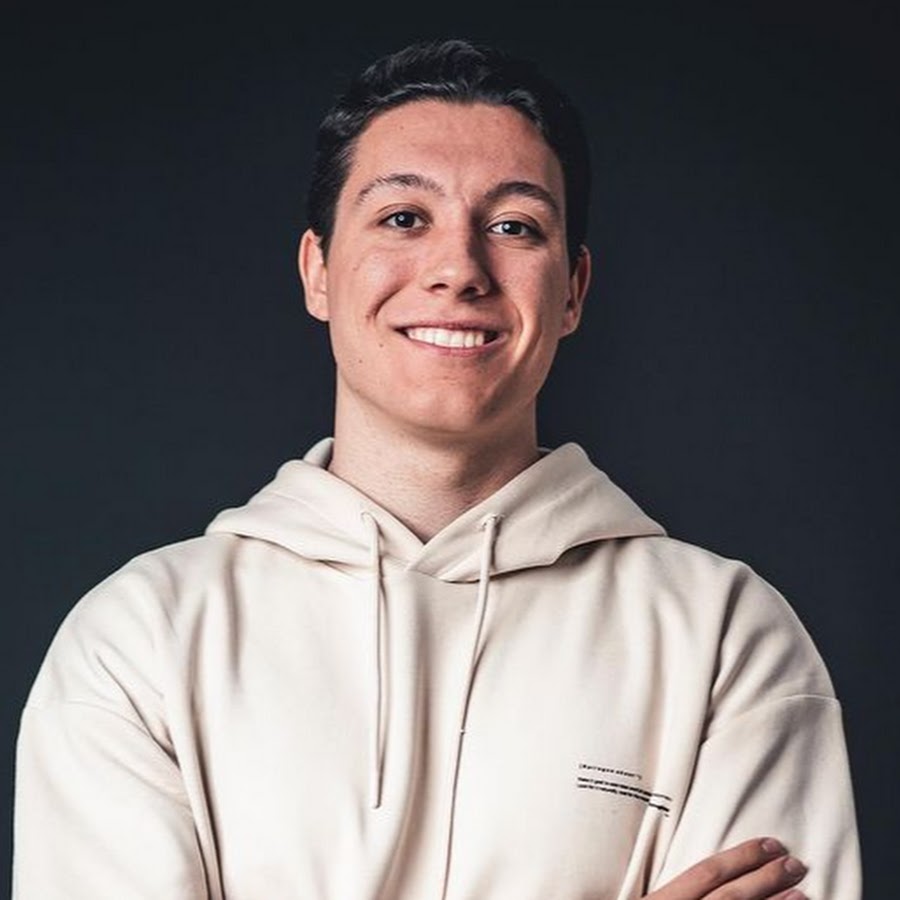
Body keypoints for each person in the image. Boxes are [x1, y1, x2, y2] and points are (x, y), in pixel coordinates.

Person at [13, 38, 860, 899]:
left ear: (572, 290)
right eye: (404, 219)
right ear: (318, 271)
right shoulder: (140, 641)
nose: (459, 269)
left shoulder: (726, 639)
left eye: (514, 226)